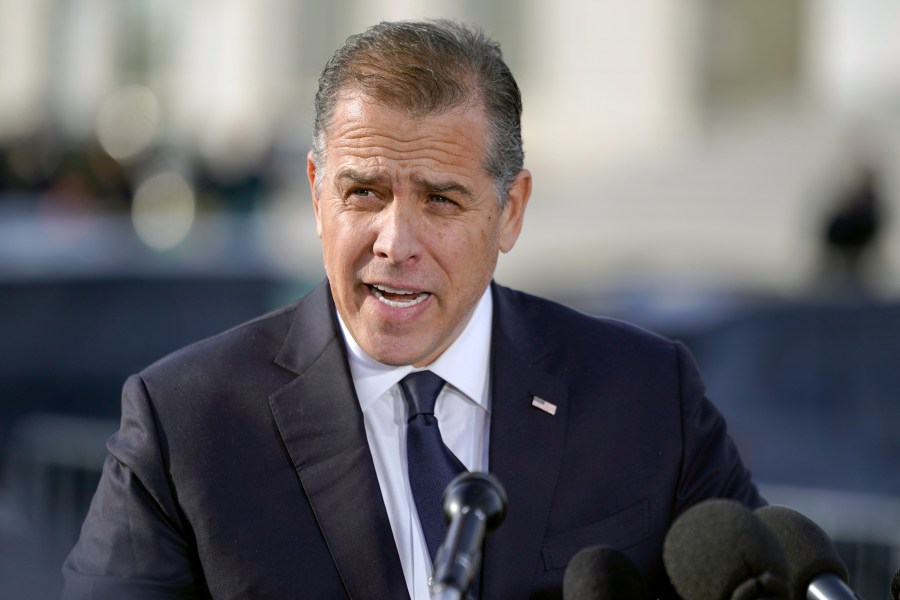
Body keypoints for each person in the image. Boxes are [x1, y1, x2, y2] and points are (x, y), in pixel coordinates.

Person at [62, 19, 763, 599]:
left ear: (509, 211)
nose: (396, 243)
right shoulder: (184, 423)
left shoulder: (645, 394)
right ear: (316, 194)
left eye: (440, 199)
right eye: (364, 192)